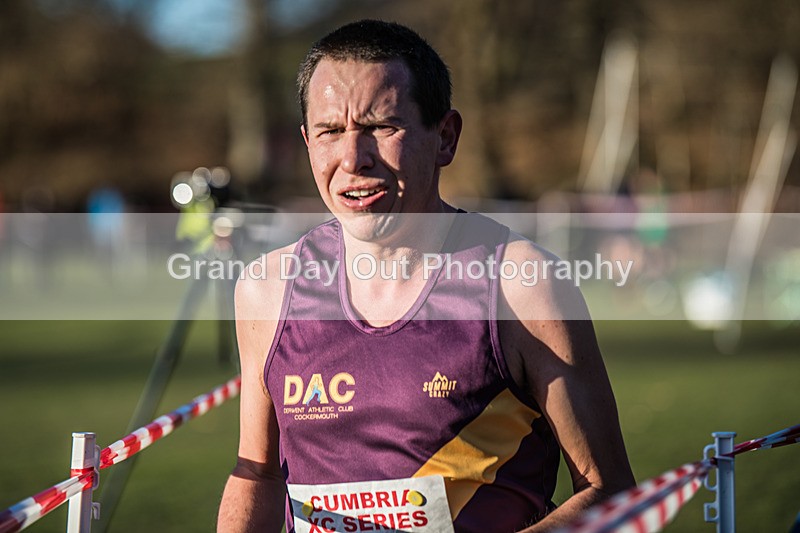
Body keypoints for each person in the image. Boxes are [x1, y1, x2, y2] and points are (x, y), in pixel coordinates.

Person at [218, 19, 635, 533]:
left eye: (381, 127)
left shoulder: (522, 284)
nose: (353, 159)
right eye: (330, 131)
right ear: (307, 141)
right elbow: (257, 473)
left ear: (445, 137)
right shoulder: (267, 288)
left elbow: (608, 490)